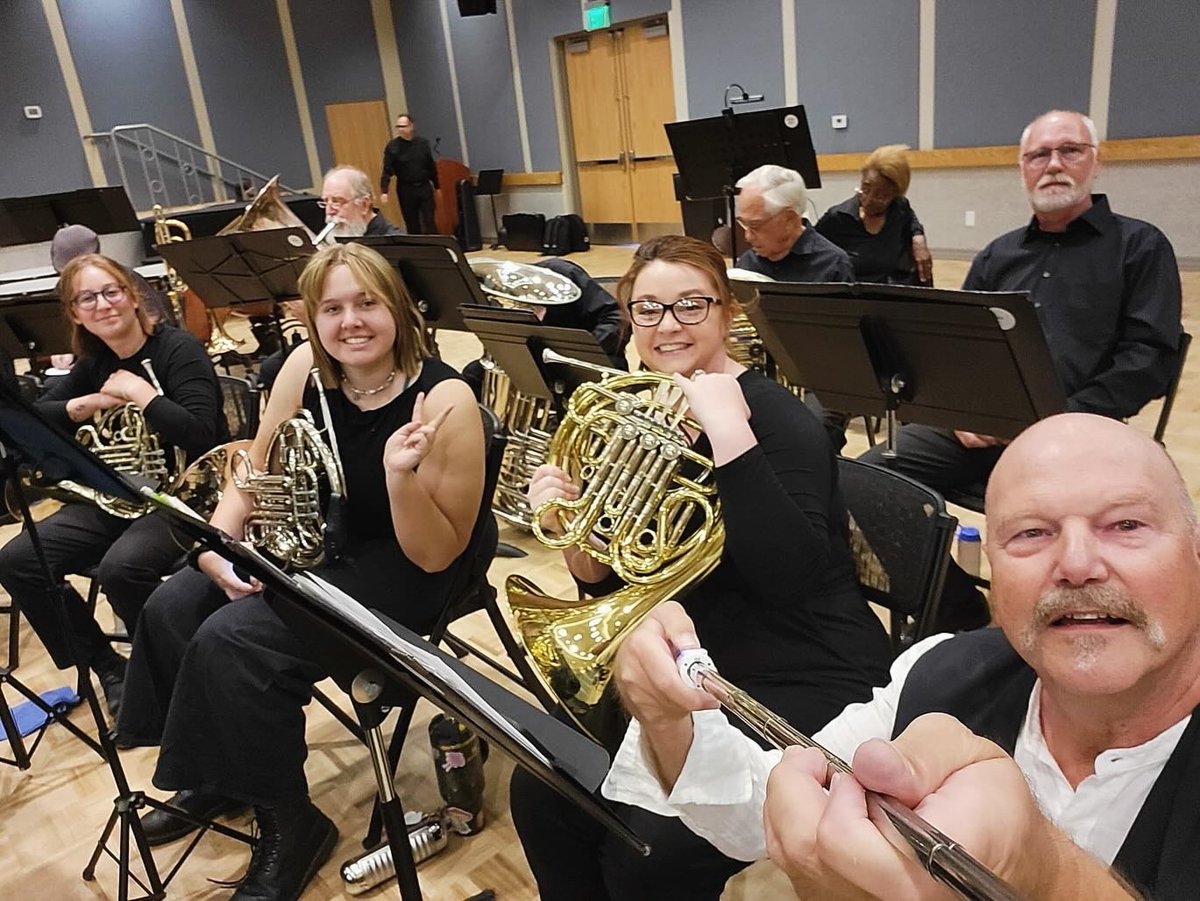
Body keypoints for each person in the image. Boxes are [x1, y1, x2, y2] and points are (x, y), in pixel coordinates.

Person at [606, 413, 1200, 900]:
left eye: (1125, 525)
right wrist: (666, 717)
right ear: (990, 567)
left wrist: (1042, 873)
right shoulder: (939, 671)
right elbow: (754, 810)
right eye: (1031, 534)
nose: (1075, 565)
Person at [509, 235, 892, 901]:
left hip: (806, 661)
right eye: (648, 308)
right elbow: (602, 578)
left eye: (690, 304)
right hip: (699, 659)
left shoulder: (778, 419)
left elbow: (788, 577)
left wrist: (729, 434)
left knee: (650, 852)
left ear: (728, 312)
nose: (668, 325)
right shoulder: (634, 412)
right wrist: (566, 519)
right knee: (540, 787)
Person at [116, 241, 486, 901]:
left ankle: (290, 819)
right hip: (323, 543)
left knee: (234, 640)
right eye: (332, 307)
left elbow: (437, 553)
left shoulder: (444, 397)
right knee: (172, 605)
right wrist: (214, 545)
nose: (350, 321)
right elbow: (253, 473)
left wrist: (399, 478)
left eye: (366, 302)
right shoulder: (302, 370)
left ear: (397, 307)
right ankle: (221, 777)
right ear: (311, 319)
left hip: (410, 562)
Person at [860, 111, 1181, 499]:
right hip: (978, 429)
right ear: (1023, 170)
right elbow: (957, 347)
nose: (1054, 165)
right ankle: (945, 564)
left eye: (1070, 151)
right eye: (1039, 155)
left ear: (1097, 162)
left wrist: (1060, 420)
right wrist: (962, 410)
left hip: (1080, 433)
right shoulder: (998, 254)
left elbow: (1148, 358)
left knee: (1054, 521)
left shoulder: (1140, 246)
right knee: (862, 486)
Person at [0, 254, 223, 716]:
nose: (102, 305)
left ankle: (181, 678)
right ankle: (107, 666)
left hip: (183, 496)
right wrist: (83, 404)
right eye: (87, 298)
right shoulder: (93, 363)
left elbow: (203, 433)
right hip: (117, 495)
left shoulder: (177, 350)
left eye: (111, 292)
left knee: (123, 568)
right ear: (76, 314)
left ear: (132, 296)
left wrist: (143, 395)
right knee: (19, 560)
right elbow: (36, 416)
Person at [461, 257, 629, 399]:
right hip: (535, 359)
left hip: (581, 360)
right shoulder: (506, 289)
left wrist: (583, 348)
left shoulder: (563, 274)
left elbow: (616, 317)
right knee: (474, 375)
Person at [814, 144, 934, 285]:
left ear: (896, 194)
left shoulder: (899, 209)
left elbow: (910, 218)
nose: (869, 200)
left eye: (881, 196)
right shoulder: (838, 217)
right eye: (865, 188)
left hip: (892, 295)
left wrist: (918, 238)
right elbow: (812, 247)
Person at [733, 164, 854, 283]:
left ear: (788, 219)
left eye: (755, 225)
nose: (747, 236)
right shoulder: (747, 264)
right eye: (744, 223)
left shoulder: (832, 265)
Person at [379, 113, 439, 234]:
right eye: (398, 127)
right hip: (406, 189)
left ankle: (435, 248)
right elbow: (387, 169)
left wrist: (437, 186)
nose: (401, 129)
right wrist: (384, 191)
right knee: (412, 222)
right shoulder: (392, 146)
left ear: (411, 126)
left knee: (429, 221)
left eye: (404, 126)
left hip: (424, 186)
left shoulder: (422, 143)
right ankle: (417, 250)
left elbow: (430, 166)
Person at [321, 165, 401, 239]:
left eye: (337, 202)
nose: (329, 212)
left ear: (364, 205)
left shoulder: (396, 247)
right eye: (325, 202)